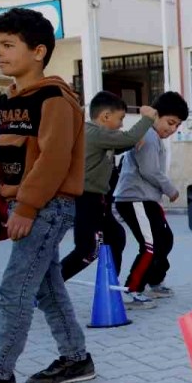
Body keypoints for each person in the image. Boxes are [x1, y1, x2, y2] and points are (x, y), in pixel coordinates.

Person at [0, 8, 94, 383]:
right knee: (45, 285)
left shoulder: (56, 101)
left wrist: (27, 207)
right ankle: (76, 358)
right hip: (22, 207)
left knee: (15, 288)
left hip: (48, 207)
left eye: (9, 45)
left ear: (39, 51)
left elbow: (53, 161)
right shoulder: (1, 104)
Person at [60, 92, 156, 286]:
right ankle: (47, 288)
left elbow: (116, 147)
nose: (121, 124)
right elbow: (127, 137)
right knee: (87, 250)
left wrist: (129, 144)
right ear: (105, 116)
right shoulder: (94, 132)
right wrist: (147, 117)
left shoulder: (97, 136)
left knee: (115, 237)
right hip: (85, 199)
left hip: (98, 200)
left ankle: (109, 287)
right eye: (120, 119)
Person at [114, 91, 188, 309]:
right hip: (134, 199)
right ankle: (133, 290)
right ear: (156, 115)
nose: (172, 129)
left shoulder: (154, 137)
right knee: (150, 245)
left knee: (165, 239)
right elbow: (149, 171)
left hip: (146, 199)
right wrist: (170, 189)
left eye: (177, 126)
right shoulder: (147, 135)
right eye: (170, 122)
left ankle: (153, 281)